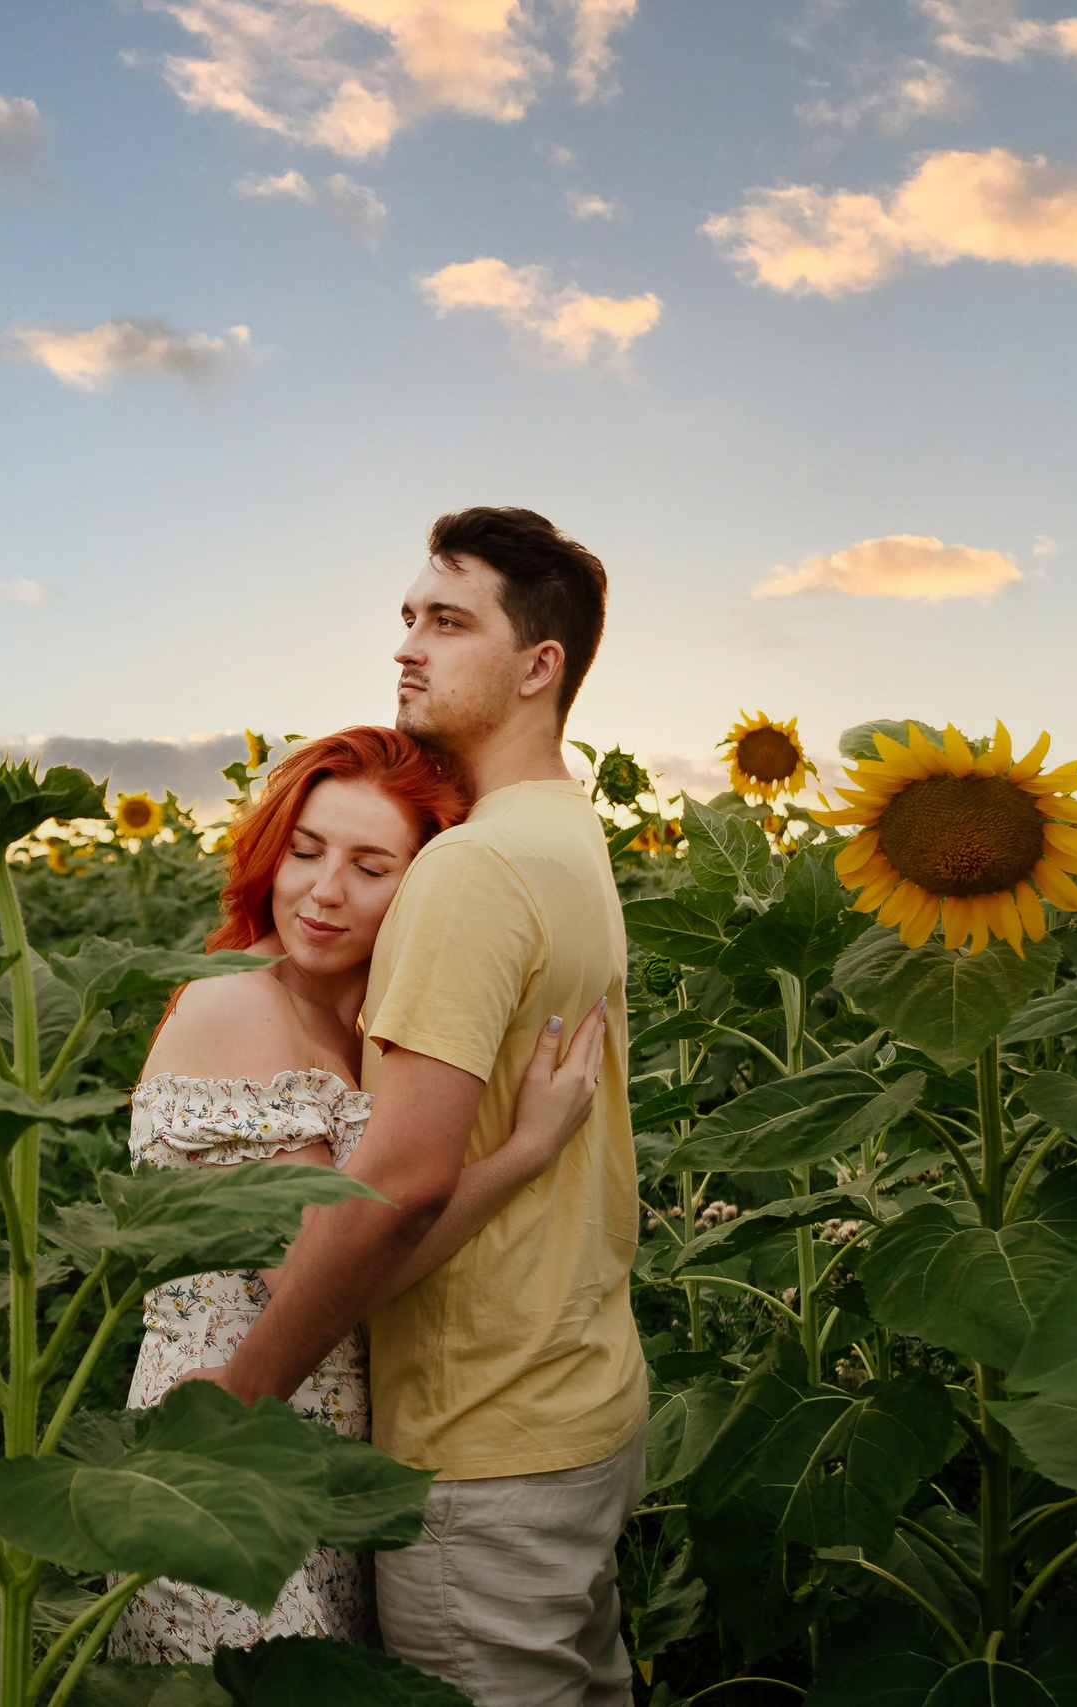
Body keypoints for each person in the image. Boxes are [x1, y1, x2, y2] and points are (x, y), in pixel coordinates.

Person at [196, 507, 646, 1706]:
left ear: (539, 666)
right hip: (579, 1393)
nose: (408, 645)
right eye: (406, 618)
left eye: (448, 622)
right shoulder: (565, 840)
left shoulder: (473, 869)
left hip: (482, 1434)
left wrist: (236, 1399)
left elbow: (397, 1182)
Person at [109, 724, 610, 1663]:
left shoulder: (371, 1034)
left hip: (324, 1464)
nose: (323, 890)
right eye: (304, 851)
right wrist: (523, 1151)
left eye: (371, 867)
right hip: (218, 1460)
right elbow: (321, 1264)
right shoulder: (238, 1004)